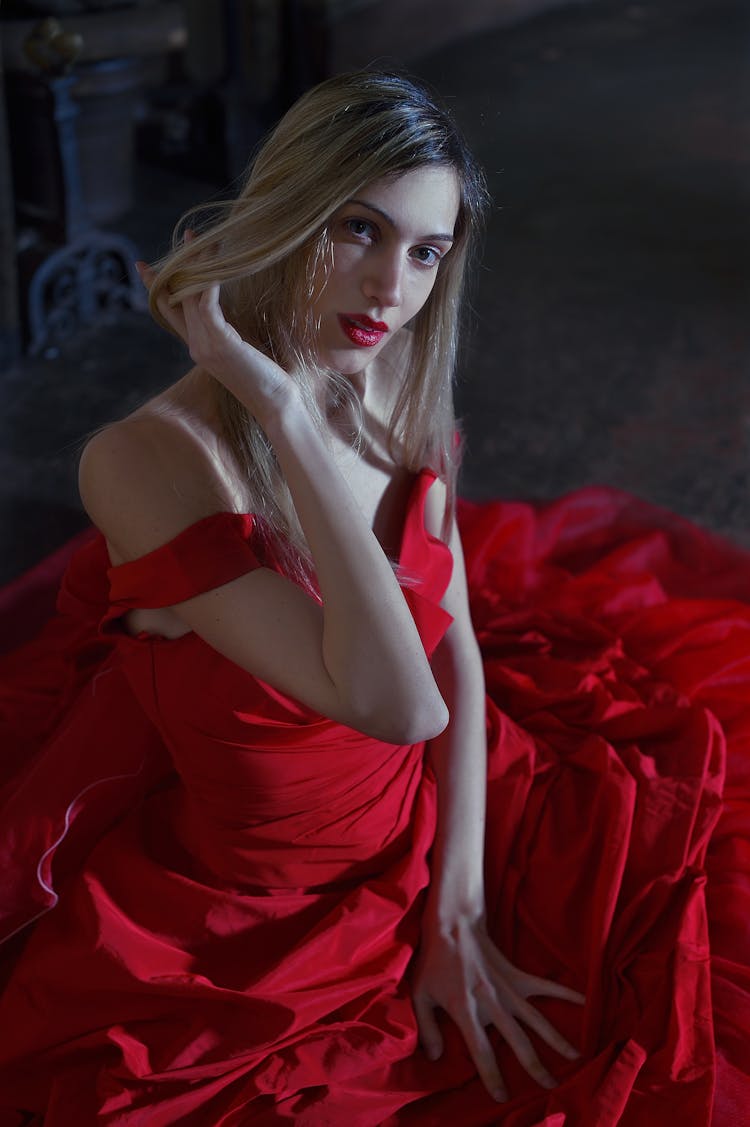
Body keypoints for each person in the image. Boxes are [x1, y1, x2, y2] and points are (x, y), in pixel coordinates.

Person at [0, 69, 748, 1126]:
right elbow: (400, 704)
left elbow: (455, 642)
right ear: (286, 211)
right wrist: (284, 407)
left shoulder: (396, 366)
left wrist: (460, 900)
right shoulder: (146, 461)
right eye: (358, 229)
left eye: (428, 251)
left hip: (436, 820)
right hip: (254, 922)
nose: (393, 290)